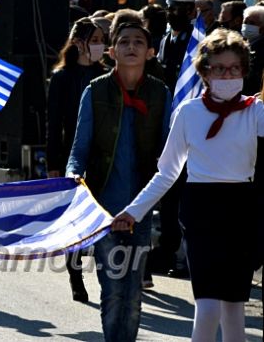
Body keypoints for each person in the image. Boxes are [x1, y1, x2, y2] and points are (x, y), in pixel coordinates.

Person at [112, 28, 261, 342]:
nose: (228, 74)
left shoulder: (256, 112)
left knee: (235, 309)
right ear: (205, 72)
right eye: (219, 68)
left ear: (245, 71)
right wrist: (133, 212)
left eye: (235, 68)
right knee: (207, 307)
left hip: (243, 210)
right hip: (201, 209)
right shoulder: (189, 112)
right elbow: (167, 173)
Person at [66, 22, 171, 342]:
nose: (131, 46)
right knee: (112, 289)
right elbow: (79, 148)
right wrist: (74, 176)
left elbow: (169, 151)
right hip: (103, 207)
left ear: (150, 52)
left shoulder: (160, 92)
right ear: (111, 52)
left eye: (139, 42)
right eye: (123, 41)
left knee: (134, 292)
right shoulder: (94, 91)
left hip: (140, 208)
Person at [46, 17, 106, 303]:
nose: (99, 46)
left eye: (101, 40)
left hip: (104, 155)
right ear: (79, 42)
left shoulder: (106, 74)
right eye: (94, 40)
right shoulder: (62, 77)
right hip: (74, 155)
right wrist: (53, 164)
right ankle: (75, 272)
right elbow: (53, 124)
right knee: (77, 218)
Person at [153, 0, 200, 277]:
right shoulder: (164, 40)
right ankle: (167, 249)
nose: (175, 14)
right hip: (166, 123)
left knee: (185, 193)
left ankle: (185, 255)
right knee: (167, 192)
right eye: (171, 8)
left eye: (181, 10)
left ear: (192, 11)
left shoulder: (196, 42)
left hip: (190, 126)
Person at [241, 5, 264, 96]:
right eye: (245, 21)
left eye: (252, 23)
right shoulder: (243, 44)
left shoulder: (261, 49)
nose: (247, 25)